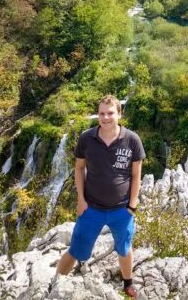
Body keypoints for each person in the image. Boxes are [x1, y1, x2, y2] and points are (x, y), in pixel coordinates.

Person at [52, 94, 145, 298]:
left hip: (121, 209)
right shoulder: (87, 138)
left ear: (119, 113)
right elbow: (79, 168)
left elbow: (137, 173)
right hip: (91, 208)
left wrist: (132, 204)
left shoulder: (132, 140)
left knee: (124, 247)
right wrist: (81, 200)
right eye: (101, 113)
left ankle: (127, 282)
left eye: (110, 113)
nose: (105, 118)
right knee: (76, 250)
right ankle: (56, 282)